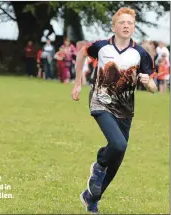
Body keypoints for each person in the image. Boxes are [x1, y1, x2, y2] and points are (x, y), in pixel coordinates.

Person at [71, 7, 157, 213]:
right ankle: (99, 166)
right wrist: (77, 82)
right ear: (114, 26)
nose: (126, 25)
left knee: (117, 158)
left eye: (129, 23)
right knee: (117, 144)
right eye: (122, 22)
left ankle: (91, 198)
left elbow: (153, 87)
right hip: (101, 102)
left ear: (133, 27)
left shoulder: (141, 53)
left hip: (125, 109)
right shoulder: (101, 47)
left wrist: (148, 83)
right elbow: (82, 53)